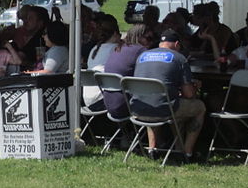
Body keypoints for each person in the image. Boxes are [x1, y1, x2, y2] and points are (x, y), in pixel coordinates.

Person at [132, 30, 206, 162]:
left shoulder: (142, 56)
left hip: (137, 108)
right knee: (199, 107)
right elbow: (189, 94)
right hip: (164, 110)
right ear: (177, 44)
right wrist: (195, 87)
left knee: (153, 99)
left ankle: (152, 149)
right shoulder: (179, 58)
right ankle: (187, 153)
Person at [101, 24, 150, 119]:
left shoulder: (119, 48)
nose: (151, 42)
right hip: (126, 105)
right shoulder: (140, 50)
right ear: (139, 37)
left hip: (109, 104)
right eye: (149, 38)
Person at [83, 14, 120, 108]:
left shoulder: (94, 49)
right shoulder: (115, 49)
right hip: (101, 99)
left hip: (87, 99)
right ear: (115, 33)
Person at [12, 5, 49, 70]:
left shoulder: (39, 39)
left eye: (30, 18)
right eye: (26, 18)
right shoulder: (28, 36)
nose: (26, 21)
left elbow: (20, 57)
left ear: (40, 23)